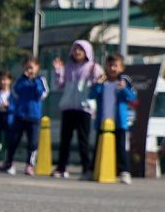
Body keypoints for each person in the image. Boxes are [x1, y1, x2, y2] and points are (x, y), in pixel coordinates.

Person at [51, 40, 103, 179]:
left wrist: (97, 81)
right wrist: (58, 71)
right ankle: (61, 168)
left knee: (83, 140)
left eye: (81, 49)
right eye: (75, 49)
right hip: (68, 107)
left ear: (87, 52)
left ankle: (86, 169)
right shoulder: (67, 67)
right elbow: (59, 85)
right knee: (65, 140)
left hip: (84, 108)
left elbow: (99, 82)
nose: (77, 52)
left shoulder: (93, 67)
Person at [91, 54, 138, 184]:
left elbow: (133, 98)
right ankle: (93, 170)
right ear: (105, 66)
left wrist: (124, 89)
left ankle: (124, 172)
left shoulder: (123, 82)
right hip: (103, 122)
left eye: (115, 66)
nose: (112, 68)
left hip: (119, 123)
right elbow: (91, 95)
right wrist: (98, 84)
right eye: (110, 65)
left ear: (121, 68)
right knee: (98, 148)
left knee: (121, 148)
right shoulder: (102, 82)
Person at [2, 56, 49, 176]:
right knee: (13, 140)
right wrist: (25, 79)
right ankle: (9, 163)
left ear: (37, 68)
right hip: (20, 115)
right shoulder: (20, 80)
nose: (29, 69)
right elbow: (15, 92)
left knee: (32, 143)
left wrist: (34, 81)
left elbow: (42, 94)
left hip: (34, 116)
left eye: (32, 67)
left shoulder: (40, 80)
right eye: (27, 67)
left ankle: (30, 165)